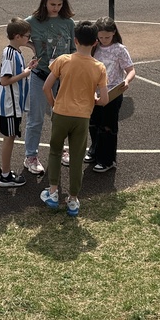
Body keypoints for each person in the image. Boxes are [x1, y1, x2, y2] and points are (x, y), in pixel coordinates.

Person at [41, 21, 109, 217]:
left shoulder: (63, 60)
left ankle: (53, 192)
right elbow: (103, 99)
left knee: (55, 151)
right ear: (96, 43)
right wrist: (93, 100)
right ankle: (73, 199)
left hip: (61, 113)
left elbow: (46, 87)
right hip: (82, 117)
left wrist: (55, 104)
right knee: (77, 158)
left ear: (76, 40)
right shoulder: (99, 67)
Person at [22, 0, 77, 176]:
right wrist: (31, 47)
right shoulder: (32, 22)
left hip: (62, 78)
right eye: (52, 4)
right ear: (45, 2)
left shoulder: (68, 23)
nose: (56, 8)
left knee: (61, 118)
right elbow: (17, 35)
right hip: (40, 76)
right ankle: (31, 156)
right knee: (35, 118)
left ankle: (61, 150)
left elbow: (72, 49)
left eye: (59, 4)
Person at [86, 17, 136, 173]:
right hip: (95, 92)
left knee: (108, 126)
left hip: (113, 92)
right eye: (100, 37)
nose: (104, 40)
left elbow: (131, 70)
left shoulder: (119, 49)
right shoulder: (95, 47)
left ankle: (107, 159)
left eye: (107, 37)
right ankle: (94, 150)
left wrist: (126, 81)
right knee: (94, 123)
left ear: (114, 33)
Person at [0, 18, 38, 188]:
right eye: (27, 36)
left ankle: (5, 172)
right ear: (17, 36)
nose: (29, 39)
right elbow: (5, 80)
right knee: (9, 138)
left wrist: (27, 67)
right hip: (10, 106)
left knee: (11, 137)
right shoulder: (10, 54)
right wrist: (25, 73)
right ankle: (5, 175)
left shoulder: (15, 52)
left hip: (14, 105)